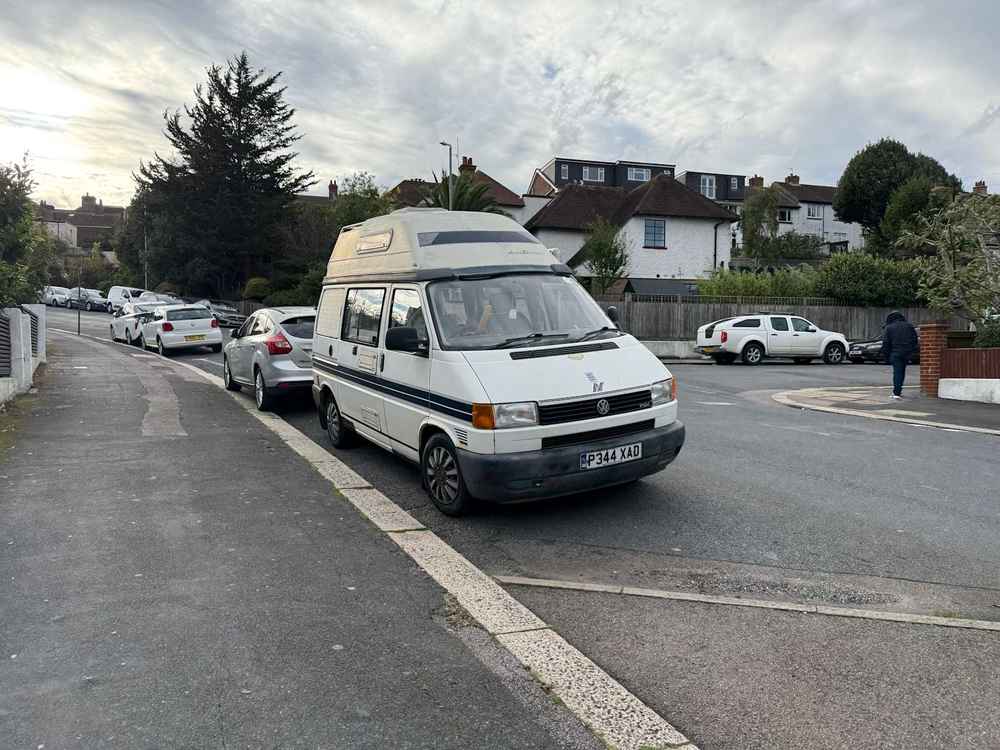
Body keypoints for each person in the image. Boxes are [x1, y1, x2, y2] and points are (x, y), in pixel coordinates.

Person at [881, 311, 918, 399]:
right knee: (902, 372)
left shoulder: (889, 327)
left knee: (897, 372)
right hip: (907, 353)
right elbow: (915, 340)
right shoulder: (909, 326)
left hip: (895, 353)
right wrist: (911, 351)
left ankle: (896, 392)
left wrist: (886, 356)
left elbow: (886, 343)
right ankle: (898, 391)